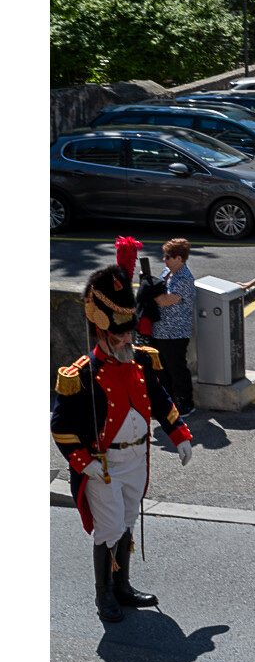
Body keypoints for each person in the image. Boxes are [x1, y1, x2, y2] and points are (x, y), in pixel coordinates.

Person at [51, 240, 193, 623]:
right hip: (103, 465)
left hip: (135, 458)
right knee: (109, 528)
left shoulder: (140, 362)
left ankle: (123, 586)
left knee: (127, 521)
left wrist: (179, 433)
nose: (129, 340)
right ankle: (105, 595)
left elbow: (160, 400)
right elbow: (60, 426)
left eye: (130, 333)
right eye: (121, 336)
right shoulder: (81, 374)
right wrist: (83, 462)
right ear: (102, 332)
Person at [147, 238, 197, 415]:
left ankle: (185, 403)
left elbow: (165, 301)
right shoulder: (168, 272)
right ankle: (167, 403)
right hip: (160, 330)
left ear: (179, 258)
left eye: (168, 257)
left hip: (175, 333)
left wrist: (148, 288)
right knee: (161, 370)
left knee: (177, 370)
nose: (164, 259)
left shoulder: (185, 278)